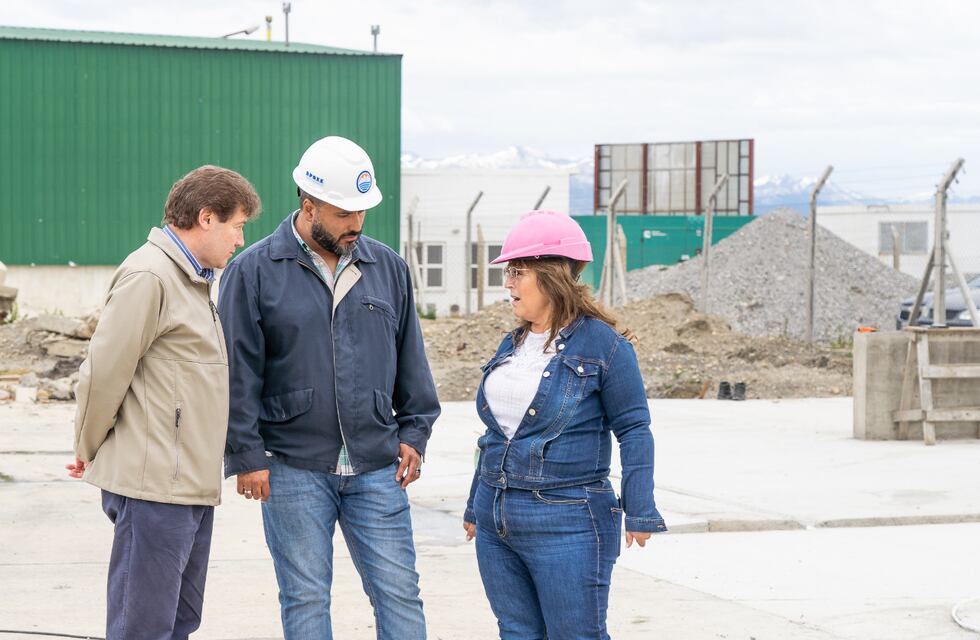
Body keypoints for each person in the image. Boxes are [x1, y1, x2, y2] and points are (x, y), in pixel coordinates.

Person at [218, 136, 440, 639]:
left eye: (362, 211)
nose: (356, 223)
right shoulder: (253, 271)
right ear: (309, 205)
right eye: (344, 213)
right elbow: (236, 373)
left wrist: (415, 431)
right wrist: (246, 454)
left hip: (377, 465)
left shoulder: (387, 268)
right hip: (292, 467)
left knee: (400, 592)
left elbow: (411, 359)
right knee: (305, 597)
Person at [67, 165, 261, 639]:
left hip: (188, 487)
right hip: (153, 488)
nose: (240, 240)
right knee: (143, 627)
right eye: (237, 226)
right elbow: (103, 373)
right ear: (206, 217)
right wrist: (87, 446)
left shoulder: (192, 282)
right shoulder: (150, 276)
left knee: (179, 622)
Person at [462, 210, 667, 639]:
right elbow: (494, 436)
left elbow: (634, 429)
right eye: (508, 273)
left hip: (568, 520)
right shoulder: (511, 345)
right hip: (496, 517)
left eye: (517, 272)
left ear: (552, 275)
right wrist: (474, 506)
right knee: (517, 633)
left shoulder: (606, 347)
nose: (508, 284)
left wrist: (640, 510)